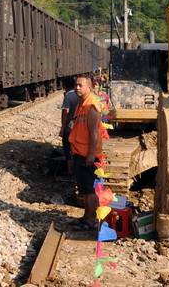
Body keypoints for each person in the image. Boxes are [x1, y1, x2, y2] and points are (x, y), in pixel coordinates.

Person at [68, 74, 105, 231]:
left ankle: (91, 220)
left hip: (88, 155)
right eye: (76, 85)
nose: (77, 88)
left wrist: (91, 154)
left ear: (89, 87)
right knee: (83, 188)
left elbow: (93, 133)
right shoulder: (80, 103)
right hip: (80, 152)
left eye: (80, 85)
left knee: (90, 190)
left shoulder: (91, 106)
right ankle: (85, 216)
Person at [59, 77, 78, 177]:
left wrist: (62, 128)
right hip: (80, 127)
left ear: (64, 86)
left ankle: (71, 173)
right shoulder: (81, 95)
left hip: (69, 128)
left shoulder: (68, 96)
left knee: (68, 151)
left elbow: (65, 113)